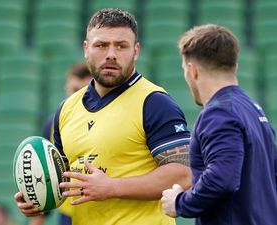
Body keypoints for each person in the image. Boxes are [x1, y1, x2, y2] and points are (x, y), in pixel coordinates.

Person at [15, 8, 192, 225]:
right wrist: (39, 199)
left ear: (135, 51)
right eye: (101, 45)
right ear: (86, 48)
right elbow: (63, 183)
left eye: (121, 46)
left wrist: (112, 187)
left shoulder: (155, 102)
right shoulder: (66, 109)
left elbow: (183, 175)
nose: (111, 54)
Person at [161, 24, 277, 225]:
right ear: (235, 66)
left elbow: (222, 179)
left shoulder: (218, 113)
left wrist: (180, 202)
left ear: (192, 70)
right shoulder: (253, 109)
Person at [30, 62, 92, 225]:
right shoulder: (53, 124)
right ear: (66, 87)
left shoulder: (108, 121)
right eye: (74, 90)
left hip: (104, 210)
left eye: (84, 90)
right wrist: (39, 215)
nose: (77, 96)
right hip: (68, 214)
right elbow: (46, 172)